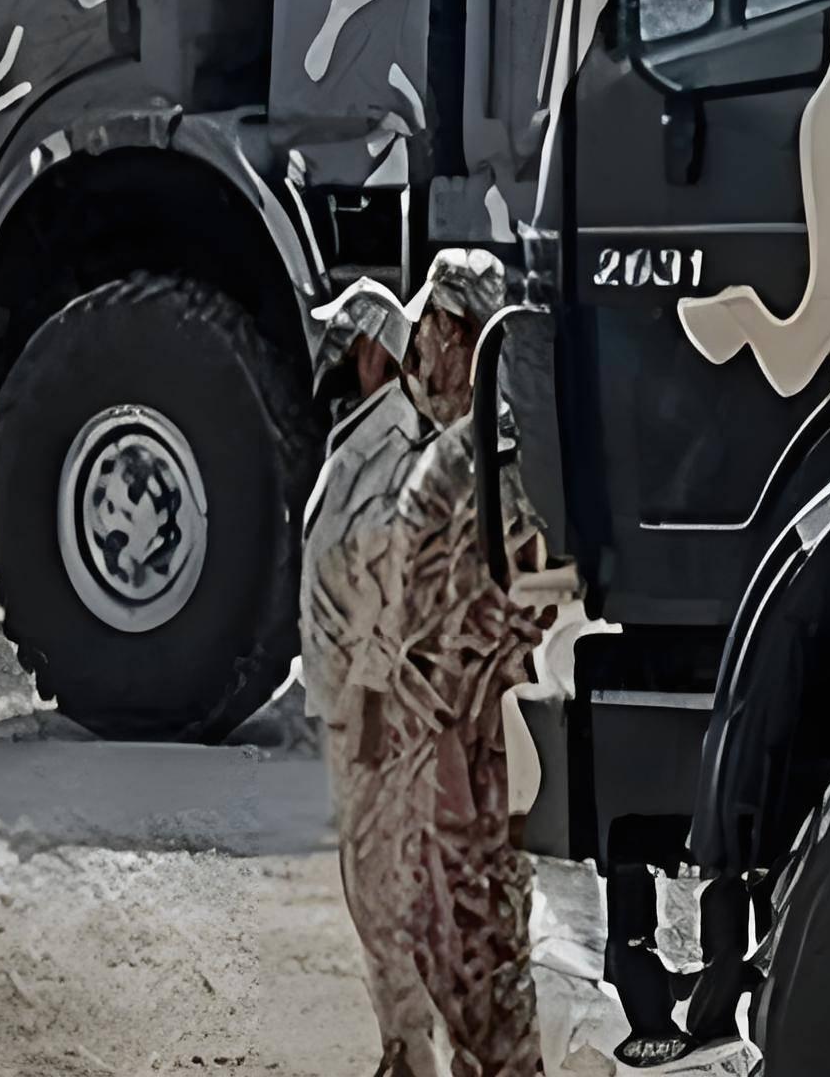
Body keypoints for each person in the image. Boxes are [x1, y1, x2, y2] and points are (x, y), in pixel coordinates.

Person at [389, 248, 541, 1077]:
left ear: (452, 334)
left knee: (474, 952)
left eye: (426, 333)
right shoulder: (513, 448)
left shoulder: (473, 465)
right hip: (487, 759)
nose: (417, 354)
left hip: (467, 763)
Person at [300, 275, 433, 1077]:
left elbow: (398, 590)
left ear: (374, 352)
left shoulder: (397, 451)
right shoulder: (358, 439)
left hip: (375, 706)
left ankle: (413, 1051)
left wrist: (373, 695)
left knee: (386, 889)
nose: (333, 359)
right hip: (349, 700)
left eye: (346, 343)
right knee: (367, 884)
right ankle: (400, 1044)